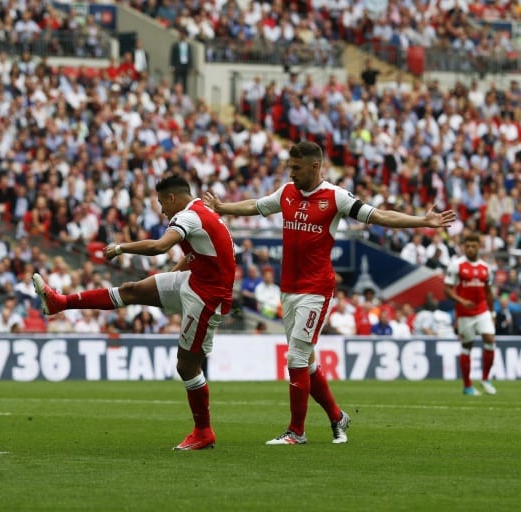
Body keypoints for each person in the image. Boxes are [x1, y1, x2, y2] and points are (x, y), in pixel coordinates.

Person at [203, 140, 456, 445]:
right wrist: (222, 208)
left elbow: (379, 216)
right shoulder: (286, 193)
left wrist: (422, 222)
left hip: (317, 289)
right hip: (289, 288)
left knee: (295, 357)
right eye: (289, 167)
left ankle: (296, 431)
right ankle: (337, 417)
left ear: (315, 166)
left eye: (296, 168)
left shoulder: (336, 197)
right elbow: (255, 206)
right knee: (306, 361)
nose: (291, 173)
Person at [33, 175, 235, 451]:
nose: (162, 209)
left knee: (187, 365)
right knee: (131, 290)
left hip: (207, 297)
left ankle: (204, 432)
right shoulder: (203, 212)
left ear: (172, 198)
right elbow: (201, 252)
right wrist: (173, 276)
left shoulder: (188, 217)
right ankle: (60, 303)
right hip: (195, 281)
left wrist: (120, 247)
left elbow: (159, 246)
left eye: (162, 203)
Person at [444, 233, 497, 396]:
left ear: (479, 247)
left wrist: (492, 311)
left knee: (490, 340)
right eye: (467, 246)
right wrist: (461, 301)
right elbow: (447, 290)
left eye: (474, 246)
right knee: (467, 346)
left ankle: (485, 379)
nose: (471, 249)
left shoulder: (485, 268)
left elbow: (488, 292)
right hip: (464, 313)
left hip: (482, 310)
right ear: (463, 247)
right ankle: (467, 386)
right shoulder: (456, 265)